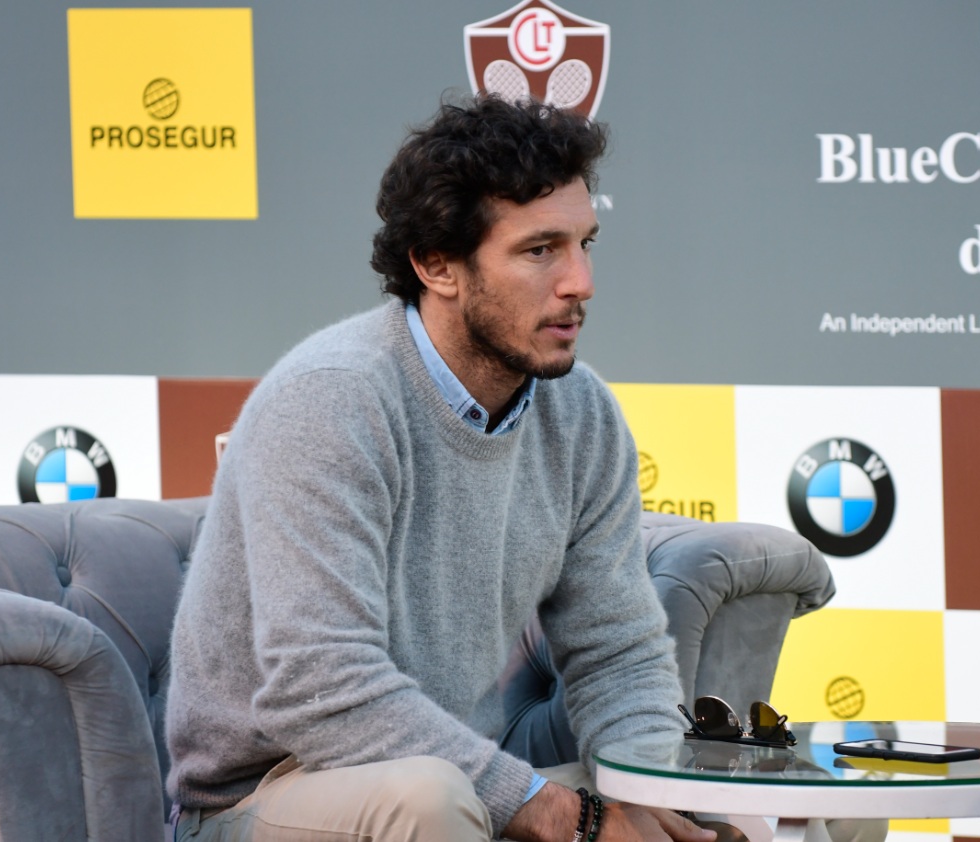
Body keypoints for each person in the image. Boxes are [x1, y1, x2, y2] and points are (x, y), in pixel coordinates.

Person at [164, 94, 718, 842]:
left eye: (586, 243)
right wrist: (573, 821)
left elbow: (617, 650)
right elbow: (321, 691)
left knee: (750, 804)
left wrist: (653, 806)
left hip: (456, 774)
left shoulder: (580, 411)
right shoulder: (333, 399)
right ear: (436, 265)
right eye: (539, 250)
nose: (581, 282)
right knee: (430, 801)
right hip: (265, 793)